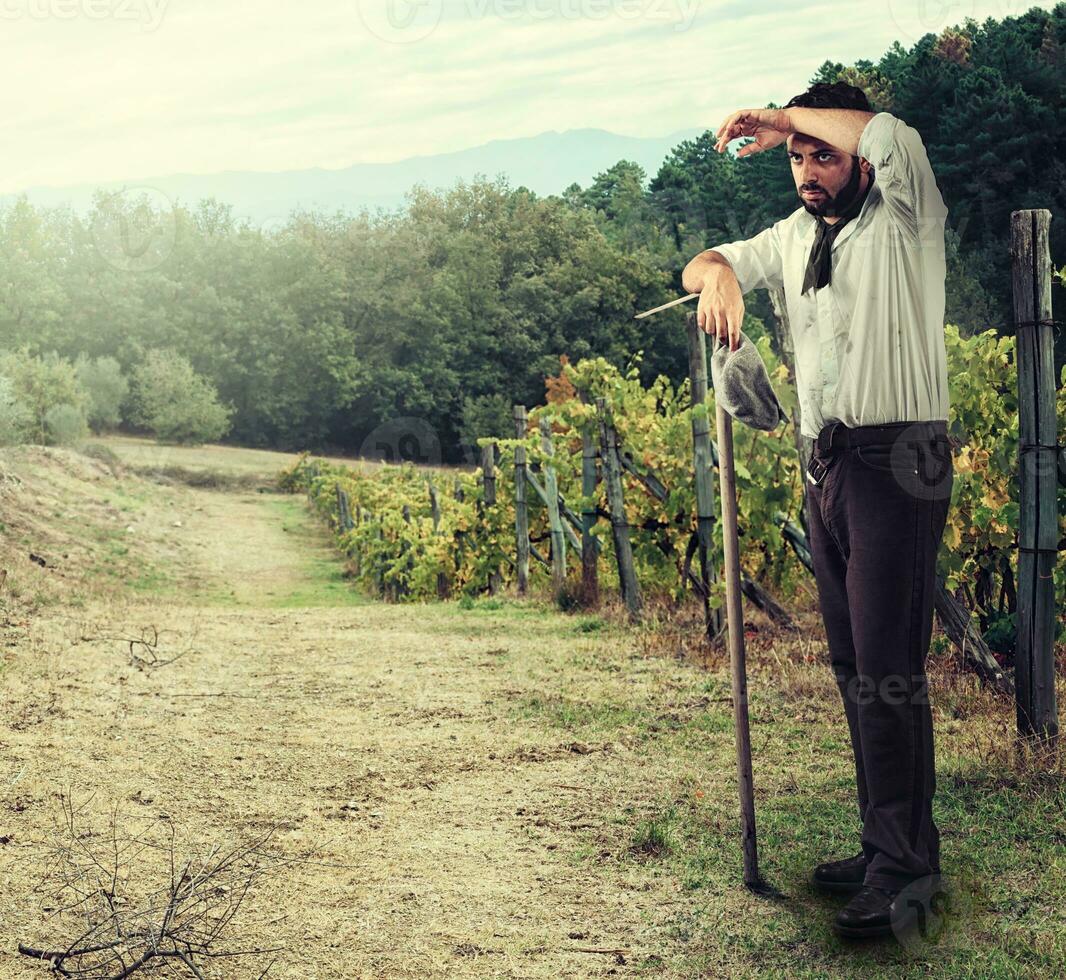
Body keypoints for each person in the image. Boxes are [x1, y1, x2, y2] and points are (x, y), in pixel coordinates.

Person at [681, 81, 954, 939]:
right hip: (828, 465)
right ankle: (885, 844)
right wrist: (718, 276)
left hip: (900, 458)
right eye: (796, 157)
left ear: (857, 154)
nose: (804, 168)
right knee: (852, 666)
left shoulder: (907, 209)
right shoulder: (796, 235)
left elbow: (890, 129)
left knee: (886, 668)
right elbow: (701, 263)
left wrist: (782, 115)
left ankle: (907, 870)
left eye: (819, 153)